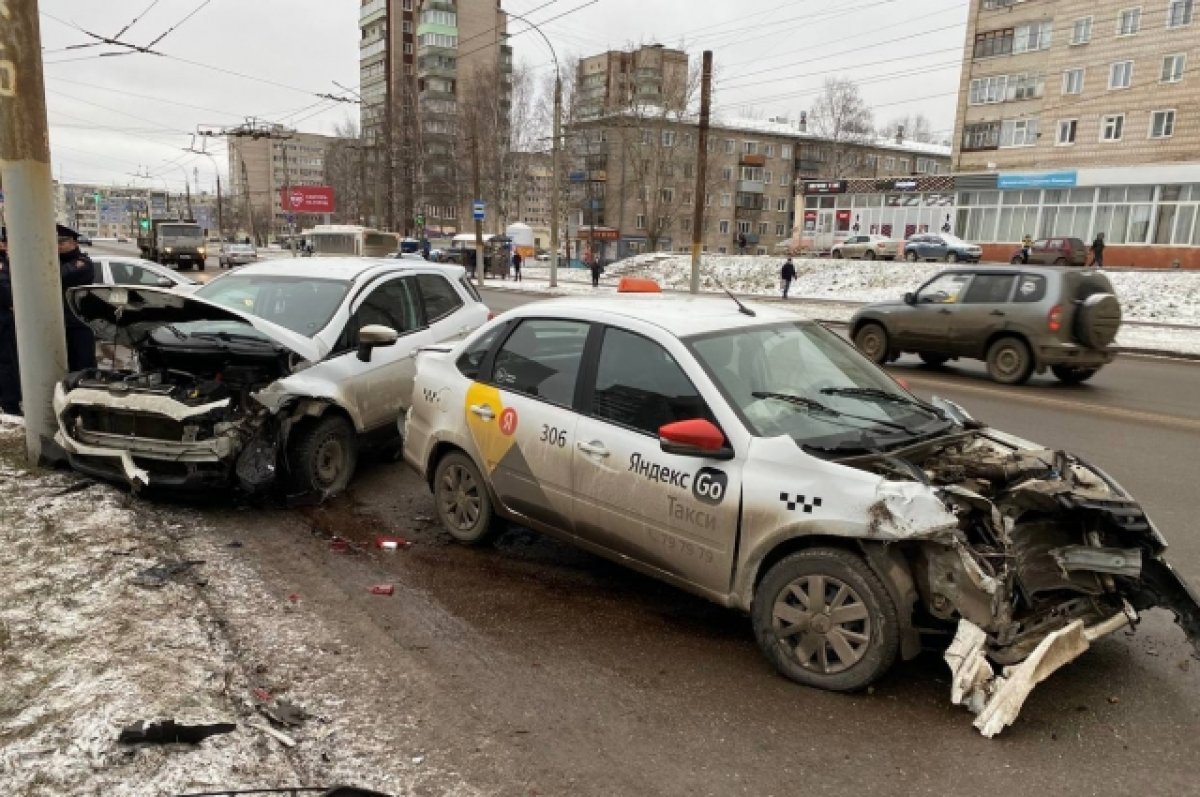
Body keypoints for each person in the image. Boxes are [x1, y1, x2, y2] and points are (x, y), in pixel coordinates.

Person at [57, 224, 98, 372]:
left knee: (83, 367)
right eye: (55, 242)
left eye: (62, 242)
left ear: (74, 243)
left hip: (78, 324)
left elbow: (60, 276)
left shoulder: (83, 263)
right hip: (60, 325)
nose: (58, 246)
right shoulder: (58, 261)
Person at [0, 229, 19, 415]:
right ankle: (10, 405)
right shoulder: (3, 265)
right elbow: (7, 294)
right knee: (7, 365)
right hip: (4, 322)